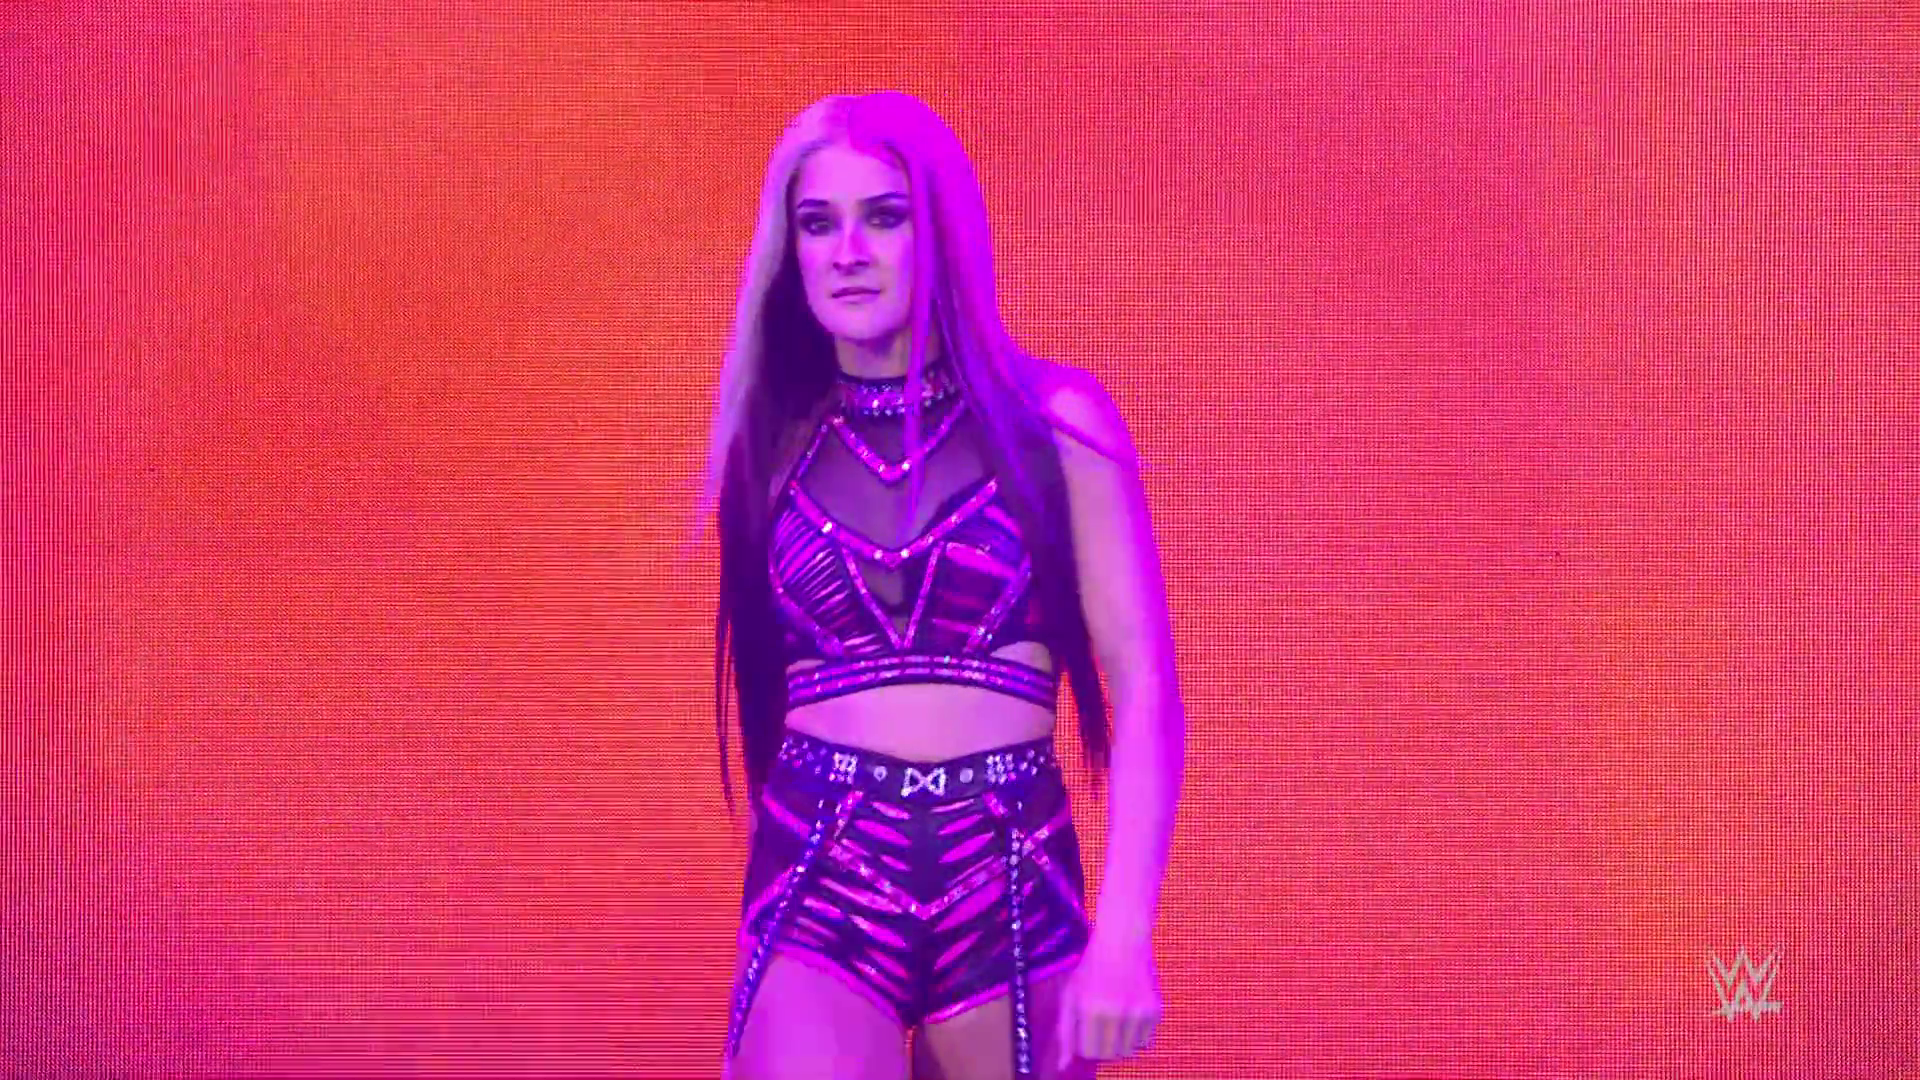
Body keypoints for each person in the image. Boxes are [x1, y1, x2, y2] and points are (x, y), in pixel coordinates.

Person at [701, 91, 1184, 1080]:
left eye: (884, 216)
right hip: (822, 867)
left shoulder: (1057, 422)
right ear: (790, 252)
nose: (848, 252)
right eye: (818, 223)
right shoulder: (768, 447)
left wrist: (1126, 935)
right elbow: (762, 698)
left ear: (941, 234)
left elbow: (1143, 687)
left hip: (1010, 868)